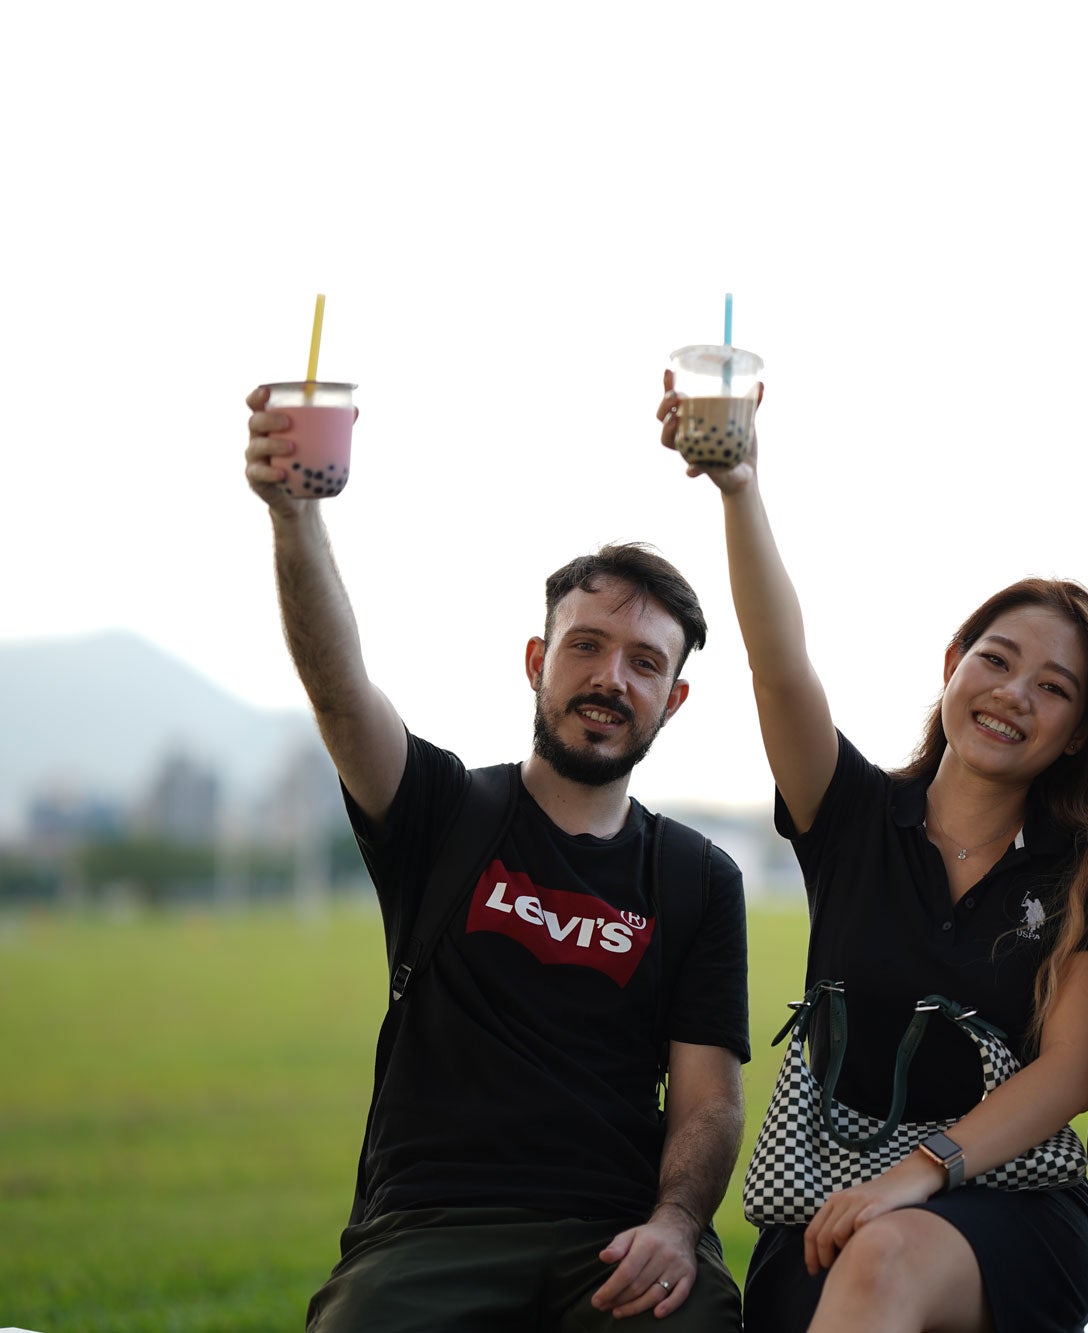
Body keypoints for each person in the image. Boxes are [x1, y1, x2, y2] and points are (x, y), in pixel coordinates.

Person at [242, 385, 751, 1331]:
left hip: (616, 1238)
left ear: (673, 700)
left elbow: (709, 1101)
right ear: (536, 660)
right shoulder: (440, 807)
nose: (610, 677)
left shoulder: (697, 878)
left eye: (645, 662)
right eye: (586, 645)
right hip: (427, 1232)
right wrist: (294, 515)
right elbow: (338, 685)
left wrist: (677, 1223)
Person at [662, 372, 1088, 1333]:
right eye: (997, 659)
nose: (1013, 693)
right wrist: (740, 487)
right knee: (862, 1264)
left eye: (1053, 688)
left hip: (1009, 1210)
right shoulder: (851, 815)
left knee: (884, 1257)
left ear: (1081, 734)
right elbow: (778, 660)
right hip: (825, 1206)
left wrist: (916, 1177)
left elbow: (1071, 1072)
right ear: (952, 666)